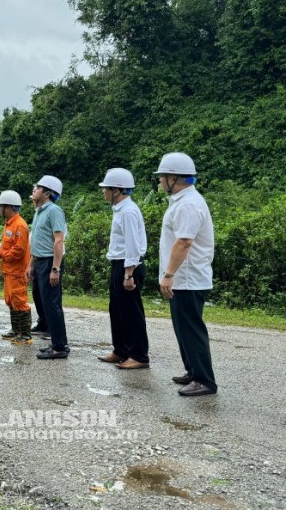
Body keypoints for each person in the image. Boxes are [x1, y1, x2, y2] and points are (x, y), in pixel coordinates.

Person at [155, 152, 217, 396]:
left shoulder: (189, 204)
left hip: (188, 278)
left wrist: (169, 274)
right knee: (182, 328)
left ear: (173, 177)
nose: (160, 181)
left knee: (191, 329)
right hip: (183, 278)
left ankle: (205, 380)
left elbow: (183, 242)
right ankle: (193, 371)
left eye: (162, 177)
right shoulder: (182, 201)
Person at [97, 168, 149, 369]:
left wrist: (129, 274)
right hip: (119, 264)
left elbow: (133, 245)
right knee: (117, 310)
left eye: (106, 189)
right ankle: (121, 350)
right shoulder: (120, 209)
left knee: (131, 312)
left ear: (117, 190)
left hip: (129, 266)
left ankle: (139, 356)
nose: (104, 192)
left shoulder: (128, 211)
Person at [28, 175, 70, 360]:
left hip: (50, 262)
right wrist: (31, 263)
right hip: (39, 261)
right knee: (45, 303)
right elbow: (36, 240)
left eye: (37, 188)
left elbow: (59, 240)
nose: (33, 191)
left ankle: (60, 346)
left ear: (46, 193)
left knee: (52, 304)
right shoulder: (39, 211)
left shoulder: (54, 211)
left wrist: (55, 269)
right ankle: (56, 343)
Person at [0, 190, 32, 345]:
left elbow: (18, 251)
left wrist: (0, 253)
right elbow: (8, 247)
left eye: (1, 206)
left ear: (8, 207)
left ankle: (25, 334)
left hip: (17, 271)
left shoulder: (20, 225)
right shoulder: (9, 224)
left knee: (19, 301)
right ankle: (16, 330)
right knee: (10, 300)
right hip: (8, 270)